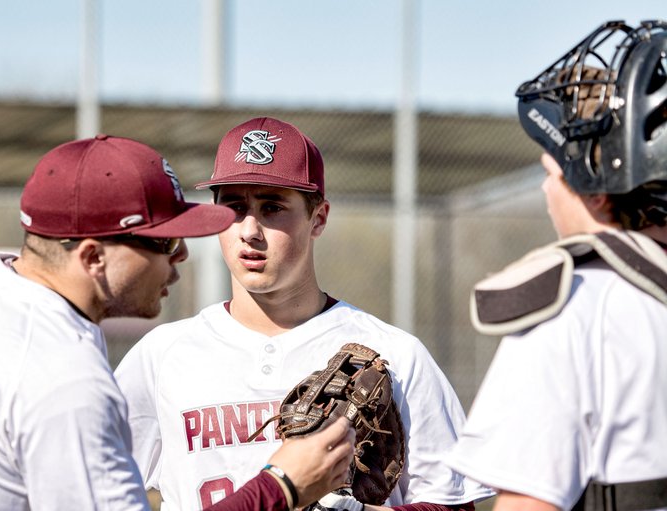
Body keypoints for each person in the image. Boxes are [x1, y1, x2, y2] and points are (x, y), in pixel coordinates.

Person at [0, 134, 356, 510]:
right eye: (162, 242)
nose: (181, 255)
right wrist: (282, 486)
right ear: (93, 257)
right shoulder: (65, 380)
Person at [114, 117, 494, 510]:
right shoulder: (162, 355)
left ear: (319, 218)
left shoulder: (396, 354)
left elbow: (453, 505)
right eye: (234, 206)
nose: (249, 230)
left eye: (272, 207)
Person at [445, 20, 667, 511]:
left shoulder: (574, 310)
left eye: (551, 171)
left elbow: (529, 504)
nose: (547, 190)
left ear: (599, 184)